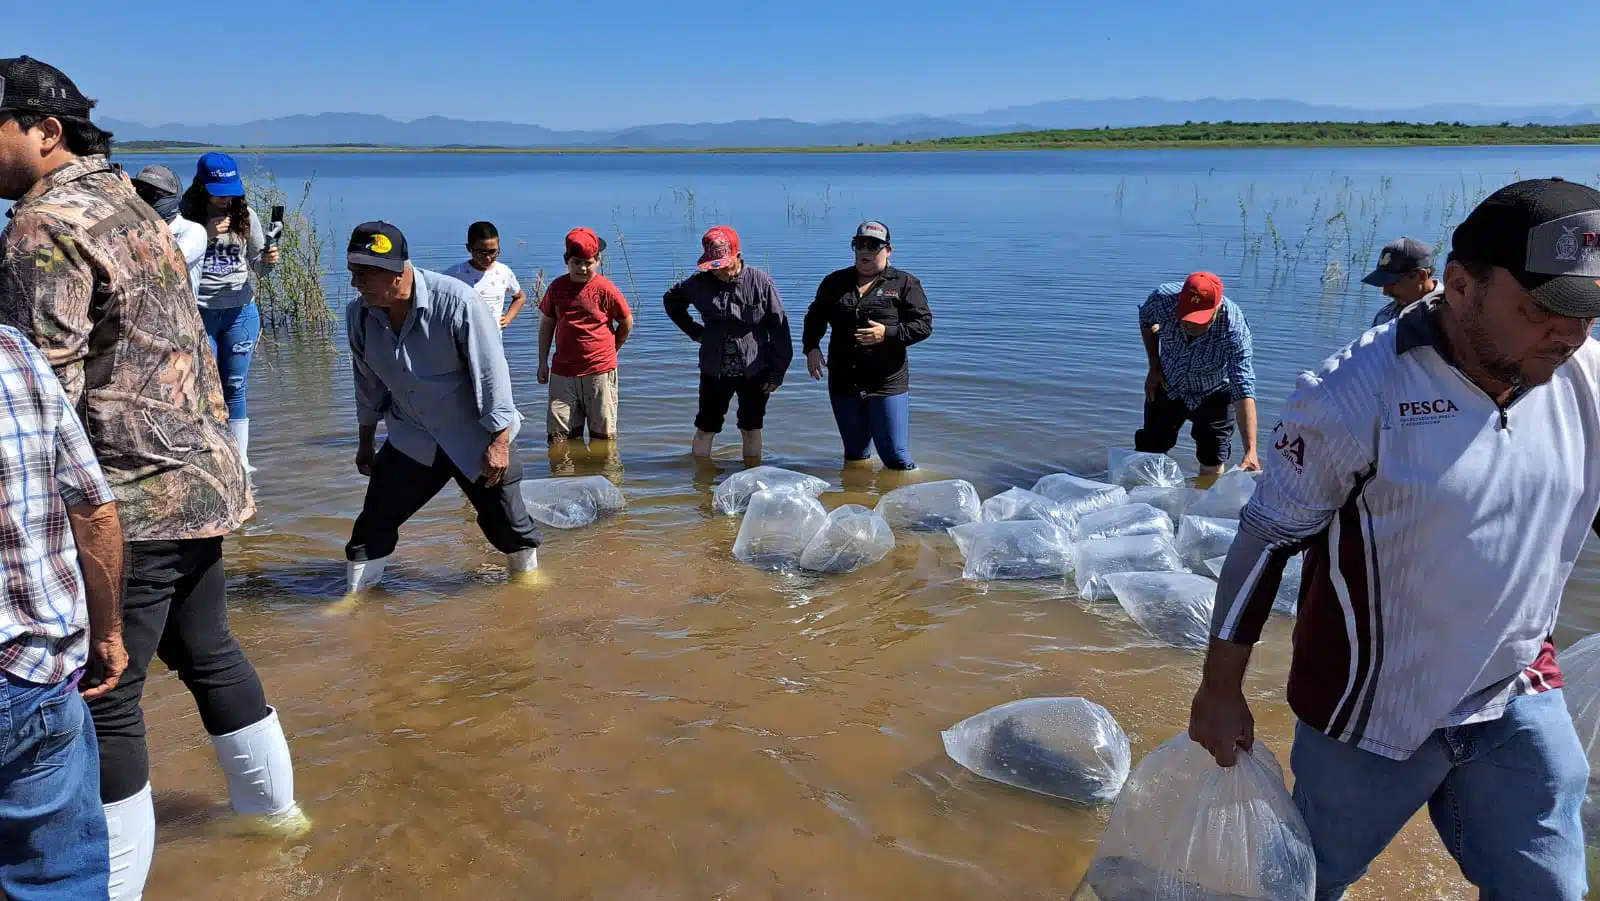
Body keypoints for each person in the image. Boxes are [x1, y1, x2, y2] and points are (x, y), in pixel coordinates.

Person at [1189, 178, 1600, 900]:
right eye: (1541, 310)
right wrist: (1219, 688)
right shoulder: (1353, 393)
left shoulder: (1586, 378)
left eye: (1587, 312)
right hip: (1371, 714)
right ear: (1463, 285)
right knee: (1308, 882)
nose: (1567, 335)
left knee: (1550, 890)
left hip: (1515, 688)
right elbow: (1264, 541)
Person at [0, 56, 304, 901]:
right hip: (203, 480)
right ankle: (279, 823)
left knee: (104, 688)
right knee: (208, 650)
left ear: (44, 131)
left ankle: (113, 888)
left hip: (128, 496)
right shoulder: (129, 200)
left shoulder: (40, 224)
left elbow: (36, 397)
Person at [343, 221, 542, 595]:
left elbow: (492, 375)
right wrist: (366, 442)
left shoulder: (457, 302)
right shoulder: (360, 316)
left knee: (510, 526)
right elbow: (366, 385)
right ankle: (355, 602)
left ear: (398, 272)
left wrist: (499, 443)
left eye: (365, 274)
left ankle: (529, 591)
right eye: (353, 272)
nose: (356, 283)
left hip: (474, 437)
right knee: (373, 523)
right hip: (412, 437)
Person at [0, 325, 127, 900]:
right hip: (31, 669)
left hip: (32, 673)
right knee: (57, 881)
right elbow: (94, 510)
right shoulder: (14, 351)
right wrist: (109, 634)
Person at [803, 221, 932, 471]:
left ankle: (907, 506)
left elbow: (923, 325)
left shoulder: (904, 283)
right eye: (860, 245)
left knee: (896, 456)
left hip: (887, 381)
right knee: (855, 456)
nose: (865, 251)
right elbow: (815, 317)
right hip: (844, 379)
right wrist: (811, 347)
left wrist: (888, 333)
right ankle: (859, 503)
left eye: (873, 246)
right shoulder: (834, 282)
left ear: (888, 250)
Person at [179, 151, 279, 474]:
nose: (225, 200)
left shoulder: (246, 216)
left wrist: (269, 261)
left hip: (240, 312)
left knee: (235, 385)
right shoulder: (185, 218)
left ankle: (241, 463)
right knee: (205, 388)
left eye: (230, 193)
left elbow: (258, 266)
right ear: (202, 187)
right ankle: (210, 458)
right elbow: (171, 262)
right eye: (218, 193)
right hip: (201, 313)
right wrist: (204, 235)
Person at [664, 226, 793, 460]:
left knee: (751, 426)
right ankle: (700, 485)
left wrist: (777, 372)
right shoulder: (698, 283)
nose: (719, 272)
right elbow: (672, 302)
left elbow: (780, 329)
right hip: (714, 368)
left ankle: (752, 476)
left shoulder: (761, 282)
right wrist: (695, 332)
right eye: (714, 268)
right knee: (706, 426)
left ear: (738, 256)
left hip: (755, 369)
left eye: (724, 266)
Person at [1135, 271, 1260, 475]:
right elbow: (1146, 321)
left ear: (1217, 308)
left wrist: (1251, 451)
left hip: (1215, 393)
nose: (1189, 324)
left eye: (1198, 319)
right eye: (1186, 315)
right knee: (1149, 451)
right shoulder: (1162, 300)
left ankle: (1204, 502)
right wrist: (1154, 366)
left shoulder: (1234, 329)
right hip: (1169, 383)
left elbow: (1243, 388)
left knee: (1212, 458)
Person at [536, 227, 633, 443]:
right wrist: (542, 362)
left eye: (587, 263)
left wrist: (612, 349)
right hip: (563, 372)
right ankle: (564, 476)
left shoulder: (605, 288)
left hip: (599, 371)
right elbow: (547, 324)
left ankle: (604, 474)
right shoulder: (557, 287)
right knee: (559, 437)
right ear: (566, 260)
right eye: (576, 262)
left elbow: (626, 321)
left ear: (597, 260)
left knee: (603, 436)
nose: (581, 268)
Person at [131, 165, 205, 297]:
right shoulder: (131, 227)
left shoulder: (192, 230)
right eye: (139, 191)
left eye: (151, 194)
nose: (142, 199)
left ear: (172, 197)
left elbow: (164, 265)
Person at [444, 220, 527, 330]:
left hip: (494, 339)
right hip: (462, 339)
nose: (488, 258)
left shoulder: (504, 272)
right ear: (469, 248)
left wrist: (508, 318)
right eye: (481, 253)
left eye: (493, 252)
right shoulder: (455, 273)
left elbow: (520, 297)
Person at [1363, 236, 1442, 327]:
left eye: (1392, 282)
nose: (1385, 292)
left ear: (1421, 276)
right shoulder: (1385, 316)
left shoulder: (1453, 312)